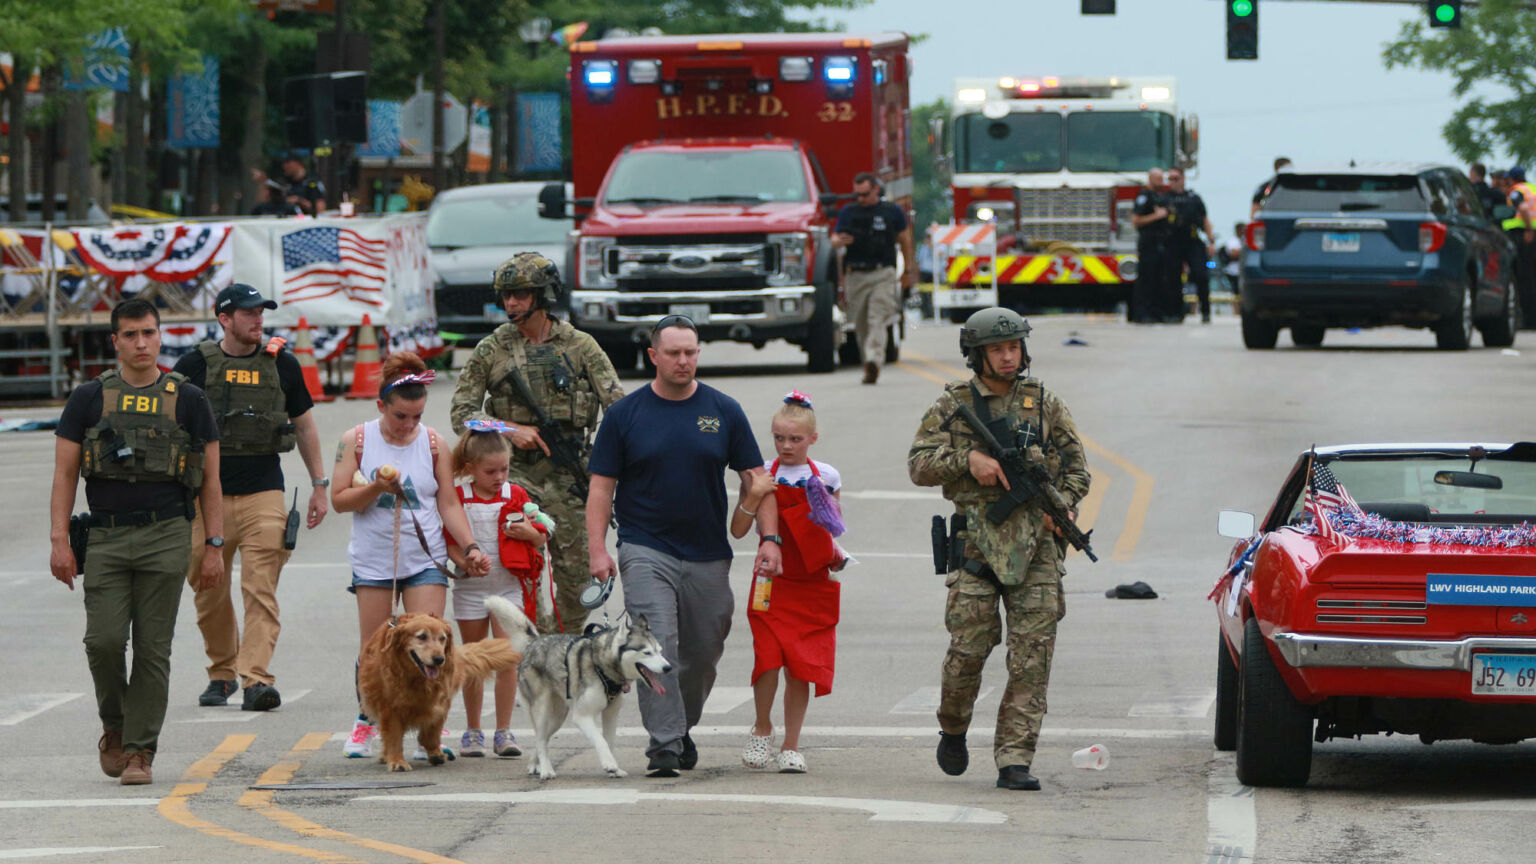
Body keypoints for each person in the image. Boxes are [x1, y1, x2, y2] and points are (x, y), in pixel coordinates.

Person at [585, 315, 782, 777]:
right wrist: (598, 549)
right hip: (644, 548)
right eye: (673, 353)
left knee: (703, 650)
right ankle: (665, 745)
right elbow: (600, 489)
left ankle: (681, 724)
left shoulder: (724, 410)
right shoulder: (624, 415)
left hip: (708, 552)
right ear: (653, 356)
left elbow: (757, 481)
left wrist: (769, 539)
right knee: (659, 644)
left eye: (691, 352)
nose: (683, 361)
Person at [907, 307, 1091, 792]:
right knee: (967, 651)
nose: (1008, 357)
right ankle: (953, 725)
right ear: (977, 354)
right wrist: (969, 461)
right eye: (996, 350)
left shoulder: (1046, 404)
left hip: (1037, 548)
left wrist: (1063, 506)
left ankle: (1014, 758)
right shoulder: (953, 404)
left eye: (1013, 348)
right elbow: (919, 464)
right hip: (977, 545)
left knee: (1032, 658)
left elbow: (1078, 471)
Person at [49, 298, 225, 786]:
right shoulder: (87, 397)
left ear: (160, 335)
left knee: (153, 649)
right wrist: (59, 540)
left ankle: (139, 753)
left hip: (167, 532)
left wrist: (214, 545)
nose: (141, 343)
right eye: (130, 335)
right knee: (103, 642)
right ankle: (115, 725)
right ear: (116, 342)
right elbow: (64, 474)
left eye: (148, 332)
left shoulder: (189, 399)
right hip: (104, 534)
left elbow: (211, 480)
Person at [172, 283, 329, 713]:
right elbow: (170, 427)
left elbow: (305, 426)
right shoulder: (194, 366)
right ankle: (222, 672)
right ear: (224, 319)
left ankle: (256, 678)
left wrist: (320, 484)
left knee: (261, 588)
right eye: (248, 312)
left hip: (264, 490)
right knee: (209, 590)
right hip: (206, 499)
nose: (258, 319)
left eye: (261, 312)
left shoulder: (283, 364)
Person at [450, 252, 625, 635]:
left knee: (578, 579)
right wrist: (508, 429)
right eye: (506, 295)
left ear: (542, 295)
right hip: (513, 478)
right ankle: (536, 649)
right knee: (524, 568)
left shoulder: (581, 346)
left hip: (571, 476)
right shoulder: (492, 349)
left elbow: (619, 409)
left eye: (521, 294)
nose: (511, 303)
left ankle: (560, 643)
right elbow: (462, 412)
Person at [331, 353, 492, 758]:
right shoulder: (357, 440)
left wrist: (469, 546)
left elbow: (449, 503)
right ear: (381, 405)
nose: (408, 426)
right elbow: (339, 500)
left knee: (432, 642)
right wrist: (374, 489)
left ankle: (428, 730)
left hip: (424, 560)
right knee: (375, 648)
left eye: (416, 416)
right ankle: (368, 719)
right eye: (401, 416)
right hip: (374, 560)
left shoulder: (434, 443)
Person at [729, 390, 846, 775]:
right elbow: (739, 528)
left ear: (813, 438)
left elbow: (834, 527)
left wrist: (837, 553)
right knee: (767, 658)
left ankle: (792, 745)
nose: (786, 445)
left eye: (795, 439)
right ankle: (762, 726)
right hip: (770, 581)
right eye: (779, 437)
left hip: (810, 581)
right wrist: (755, 495)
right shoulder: (762, 472)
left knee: (801, 665)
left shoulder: (826, 476)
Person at [444, 426, 549, 759]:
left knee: (508, 659)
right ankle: (473, 731)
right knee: (474, 660)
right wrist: (465, 560)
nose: (499, 477)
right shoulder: (458, 497)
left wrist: (529, 532)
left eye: (504, 469)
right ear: (470, 467)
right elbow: (449, 542)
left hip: (508, 588)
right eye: (490, 471)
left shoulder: (516, 494)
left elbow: (542, 535)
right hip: (470, 588)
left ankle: (503, 731)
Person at [830, 172, 916, 385]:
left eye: (865, 194)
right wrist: (838, 241)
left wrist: (907, 270)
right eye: (857, 194)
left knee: (876, 318)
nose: (861, 199)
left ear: (876, 190)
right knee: (860, 324)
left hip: (882, 273)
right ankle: (868, 358)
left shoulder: (891, 211)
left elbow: (905, 239)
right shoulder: (849, 212)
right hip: (856, 275)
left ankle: (873, 361)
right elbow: (833, 237)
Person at [1166, 168, 1216, 324]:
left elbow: (1205, 220)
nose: (1173, 182)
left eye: (1176, 178)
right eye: (1170, 179)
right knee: (1173, 278)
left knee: (1201, 275)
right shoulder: (1165, 199)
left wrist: (1211, 241)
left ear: (1183, 179)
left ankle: (1205, 311)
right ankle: (1176, 313)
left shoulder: (1194, 198)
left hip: (1193, 241)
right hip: (1173, 242)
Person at [1129, 168, 1172, 323]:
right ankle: (1141, 314)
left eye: (1162, 178)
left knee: (1160, 279)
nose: (1162, 181)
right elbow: (1136, 220)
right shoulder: (1144, 196)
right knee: (1146, 279)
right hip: (1148, 242)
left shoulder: (1162, 198)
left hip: (1162, 243)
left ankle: (1157, 313)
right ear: (1150, 179)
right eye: (1158, 178)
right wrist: (1156, 216)